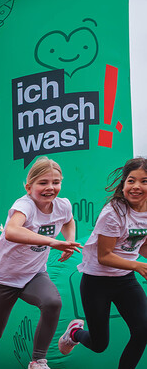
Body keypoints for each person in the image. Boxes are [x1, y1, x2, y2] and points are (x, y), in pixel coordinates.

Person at [0, 158, 78, 369]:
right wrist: (53, 241)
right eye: (43, 183)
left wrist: (68, 240)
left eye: (56, 182)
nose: (50, 188)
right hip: (3, 279)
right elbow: (12, 231)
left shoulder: (62, 205)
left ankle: (38, 361)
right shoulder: (25, 205)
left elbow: (68, 220)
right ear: (29, 187)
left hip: (34, 274)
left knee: (52, 303)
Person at [58, 157, 147, 369]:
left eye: (144, 181)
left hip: (125, 281)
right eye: (131, 180)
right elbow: (104, 256)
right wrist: (137, 265)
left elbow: (140, 245)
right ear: (123, 183)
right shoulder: (113, 212)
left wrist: (138, 262)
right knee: (99, 344)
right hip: (97, 282)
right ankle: (74, 333)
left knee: (143, 330)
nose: (136, 186)